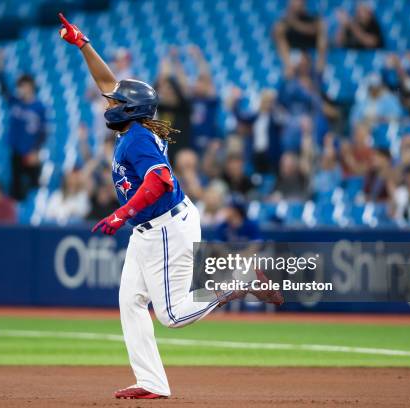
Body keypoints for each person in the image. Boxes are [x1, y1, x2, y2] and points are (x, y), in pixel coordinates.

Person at [58, 13, 283, 400]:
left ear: (128, 109)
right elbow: (108, 82)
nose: (108, 100)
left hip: (165, 226)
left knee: (173, 315)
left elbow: (160, 180)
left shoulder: (137, 139)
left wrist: (121, 212)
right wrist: (83, 44)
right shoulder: (135, 126)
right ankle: (152, 382)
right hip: (150, 229)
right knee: (130, 301)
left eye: (114, 101)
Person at [0, 50, 48, 201]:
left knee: (33, 185)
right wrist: (0, 66)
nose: (21, 89)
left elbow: (43, 132)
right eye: (20, 86)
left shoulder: (39, 107)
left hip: (30, 152)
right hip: (16, 151)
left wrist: (36, 150)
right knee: (16, 187)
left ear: (31, 86)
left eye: (24, 86)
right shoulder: (15, 102)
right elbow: (3, 88)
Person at [273, 0, 327, 71]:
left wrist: (294, 24)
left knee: (322, 34)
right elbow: (276, 33)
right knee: (280, 37)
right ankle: (288, 66)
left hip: (311, 52)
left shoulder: (313, 18)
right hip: (293, 55)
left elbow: (313, 29)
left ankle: (321, 61)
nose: (294, 3)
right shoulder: (284, 21)